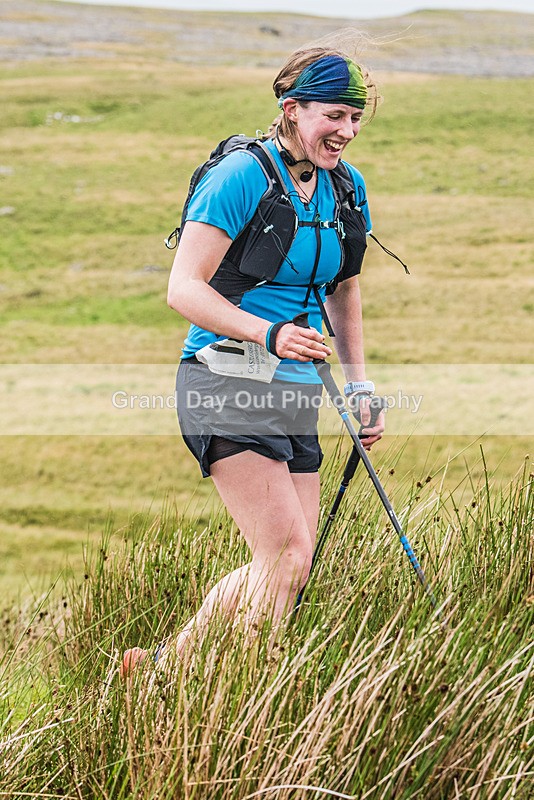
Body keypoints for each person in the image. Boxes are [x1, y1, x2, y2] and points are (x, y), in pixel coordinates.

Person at [120, 42, 386, 678]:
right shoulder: (241, 177)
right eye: (333, 115)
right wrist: (268, 334)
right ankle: (235, 702)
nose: (346, 131)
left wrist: (359, 385)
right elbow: (183, 287)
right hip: (222, 381)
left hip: (296, 393)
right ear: (292, 110)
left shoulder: (346, 189)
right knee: (287, 552)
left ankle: (159, 671)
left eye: (355, 118)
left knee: (290, 566)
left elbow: (344, 289)